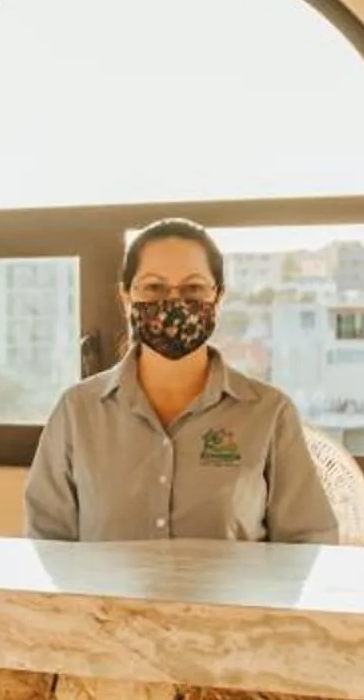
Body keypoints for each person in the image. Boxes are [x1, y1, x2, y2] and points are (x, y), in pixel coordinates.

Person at [23, 217, 339, 544]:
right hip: (102, 598)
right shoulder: (77, 410)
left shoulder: (269, 413)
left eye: (193, 288)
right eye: (154, 287)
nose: (173, 302)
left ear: (218, 297)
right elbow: (48, 544)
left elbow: (309, 544)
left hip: (230, 598)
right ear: (127, 296)